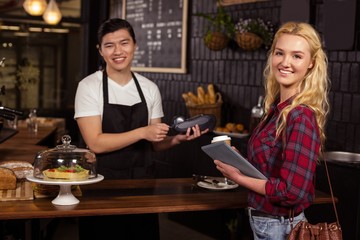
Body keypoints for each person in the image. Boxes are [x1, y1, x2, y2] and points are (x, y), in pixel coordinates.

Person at [74, 18, 208, 239]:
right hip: (100, 184)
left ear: (135, 45)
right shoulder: (89, 86)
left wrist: (177, 140)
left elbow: (154, 145)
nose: (118, 51)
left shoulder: (149, 88)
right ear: (100, 51)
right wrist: (142, 132)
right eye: (109, 45)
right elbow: (95, 143)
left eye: (124, 43)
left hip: (142, 183)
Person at [214, 22, 330, 240]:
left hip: (280, 227)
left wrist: (238, 177)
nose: (285, 62)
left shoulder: (300, 116)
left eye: (297, 56)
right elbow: (269, 168)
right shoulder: (277, 108)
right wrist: (241, 163)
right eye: (280, 53)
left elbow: (291, 193)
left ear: (311, 64)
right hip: (266, 222)